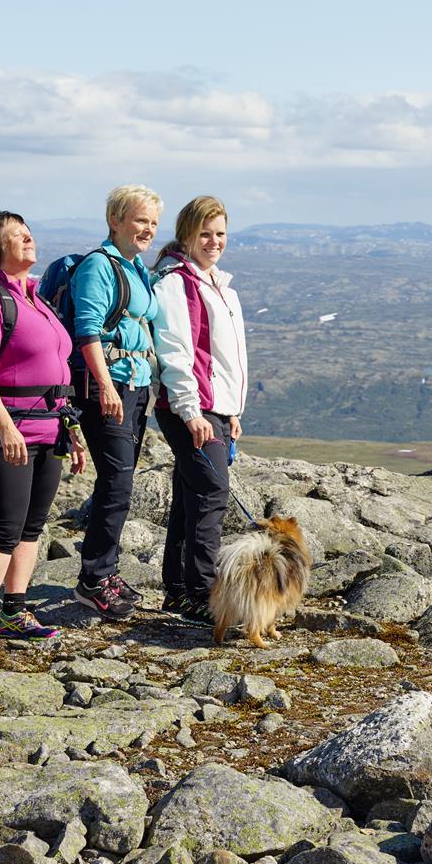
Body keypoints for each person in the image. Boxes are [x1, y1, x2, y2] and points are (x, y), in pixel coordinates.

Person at [0, 212, 85, 662]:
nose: (27, 237)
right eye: (15, 234)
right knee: (6, 528)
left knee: (32, 526)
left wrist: (71, 429)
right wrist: (5, 426)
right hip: (11, 431)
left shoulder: (37, 300)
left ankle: (15, 611)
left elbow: (57, 370)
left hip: (51, 428)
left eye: (27, 231)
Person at [152, 196, 247, 625]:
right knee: (211, 494)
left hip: (213, 409)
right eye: (205, 233)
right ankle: (202, 592)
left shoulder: (219, 285)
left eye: (220, 233)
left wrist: (230, 411)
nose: (214, 241)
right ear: (187, 235)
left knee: (193, 496)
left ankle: (179, 592)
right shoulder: (178, 283)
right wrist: (191, 411)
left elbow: (222, 359)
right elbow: (176, 352)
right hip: (190, 409)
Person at [70, 185, 164, 619]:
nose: (148, 229)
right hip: (107, 388)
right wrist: (106, 387)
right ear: (116, 220)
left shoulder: (136, 268)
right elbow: (87, 330)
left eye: (153, 223)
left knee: (118, 482)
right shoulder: (99, 266)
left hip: (136, 387)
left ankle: (103, 573)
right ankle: (93, 579)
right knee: (117, 483)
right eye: (140, 220)